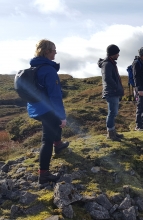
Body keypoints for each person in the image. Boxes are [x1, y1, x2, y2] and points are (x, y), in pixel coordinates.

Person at [27, 39, 69, 184]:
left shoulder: (35, 67)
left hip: (36, 107)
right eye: (53, 50)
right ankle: (43, 174)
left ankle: (58, 144)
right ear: (46, 52)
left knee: (54, 125)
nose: (55, 52)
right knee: (47, 139)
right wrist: (62, 116)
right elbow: (55, 96)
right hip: (47, 108)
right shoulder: (49, 70)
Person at [98, 44, 124, 141]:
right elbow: (107, 78)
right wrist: (116, 88)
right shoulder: (107, 64)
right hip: (111, 92)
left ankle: (113, 132)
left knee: (113, 112)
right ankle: (110, 133)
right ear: (113, 53)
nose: (118, 55)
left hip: (113, 92)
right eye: (117, 53)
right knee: (112, 113)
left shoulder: (110, 63)